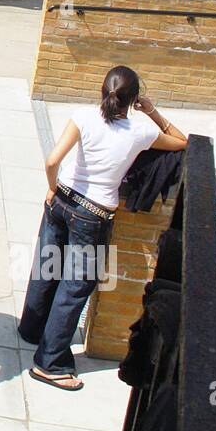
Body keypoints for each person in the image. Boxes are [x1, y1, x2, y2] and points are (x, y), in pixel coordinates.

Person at [19, 66, 187, 390]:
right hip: (93, 214)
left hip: (61, 201)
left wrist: (53, 188)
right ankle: (49, 362)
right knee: (75, 286)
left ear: (102, 91)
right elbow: (182, 142)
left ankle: (32, 329)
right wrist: (151, 110)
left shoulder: (83, 116)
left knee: (47, 265)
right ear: (132, 100)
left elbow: (53, 160)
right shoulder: (140, 132)